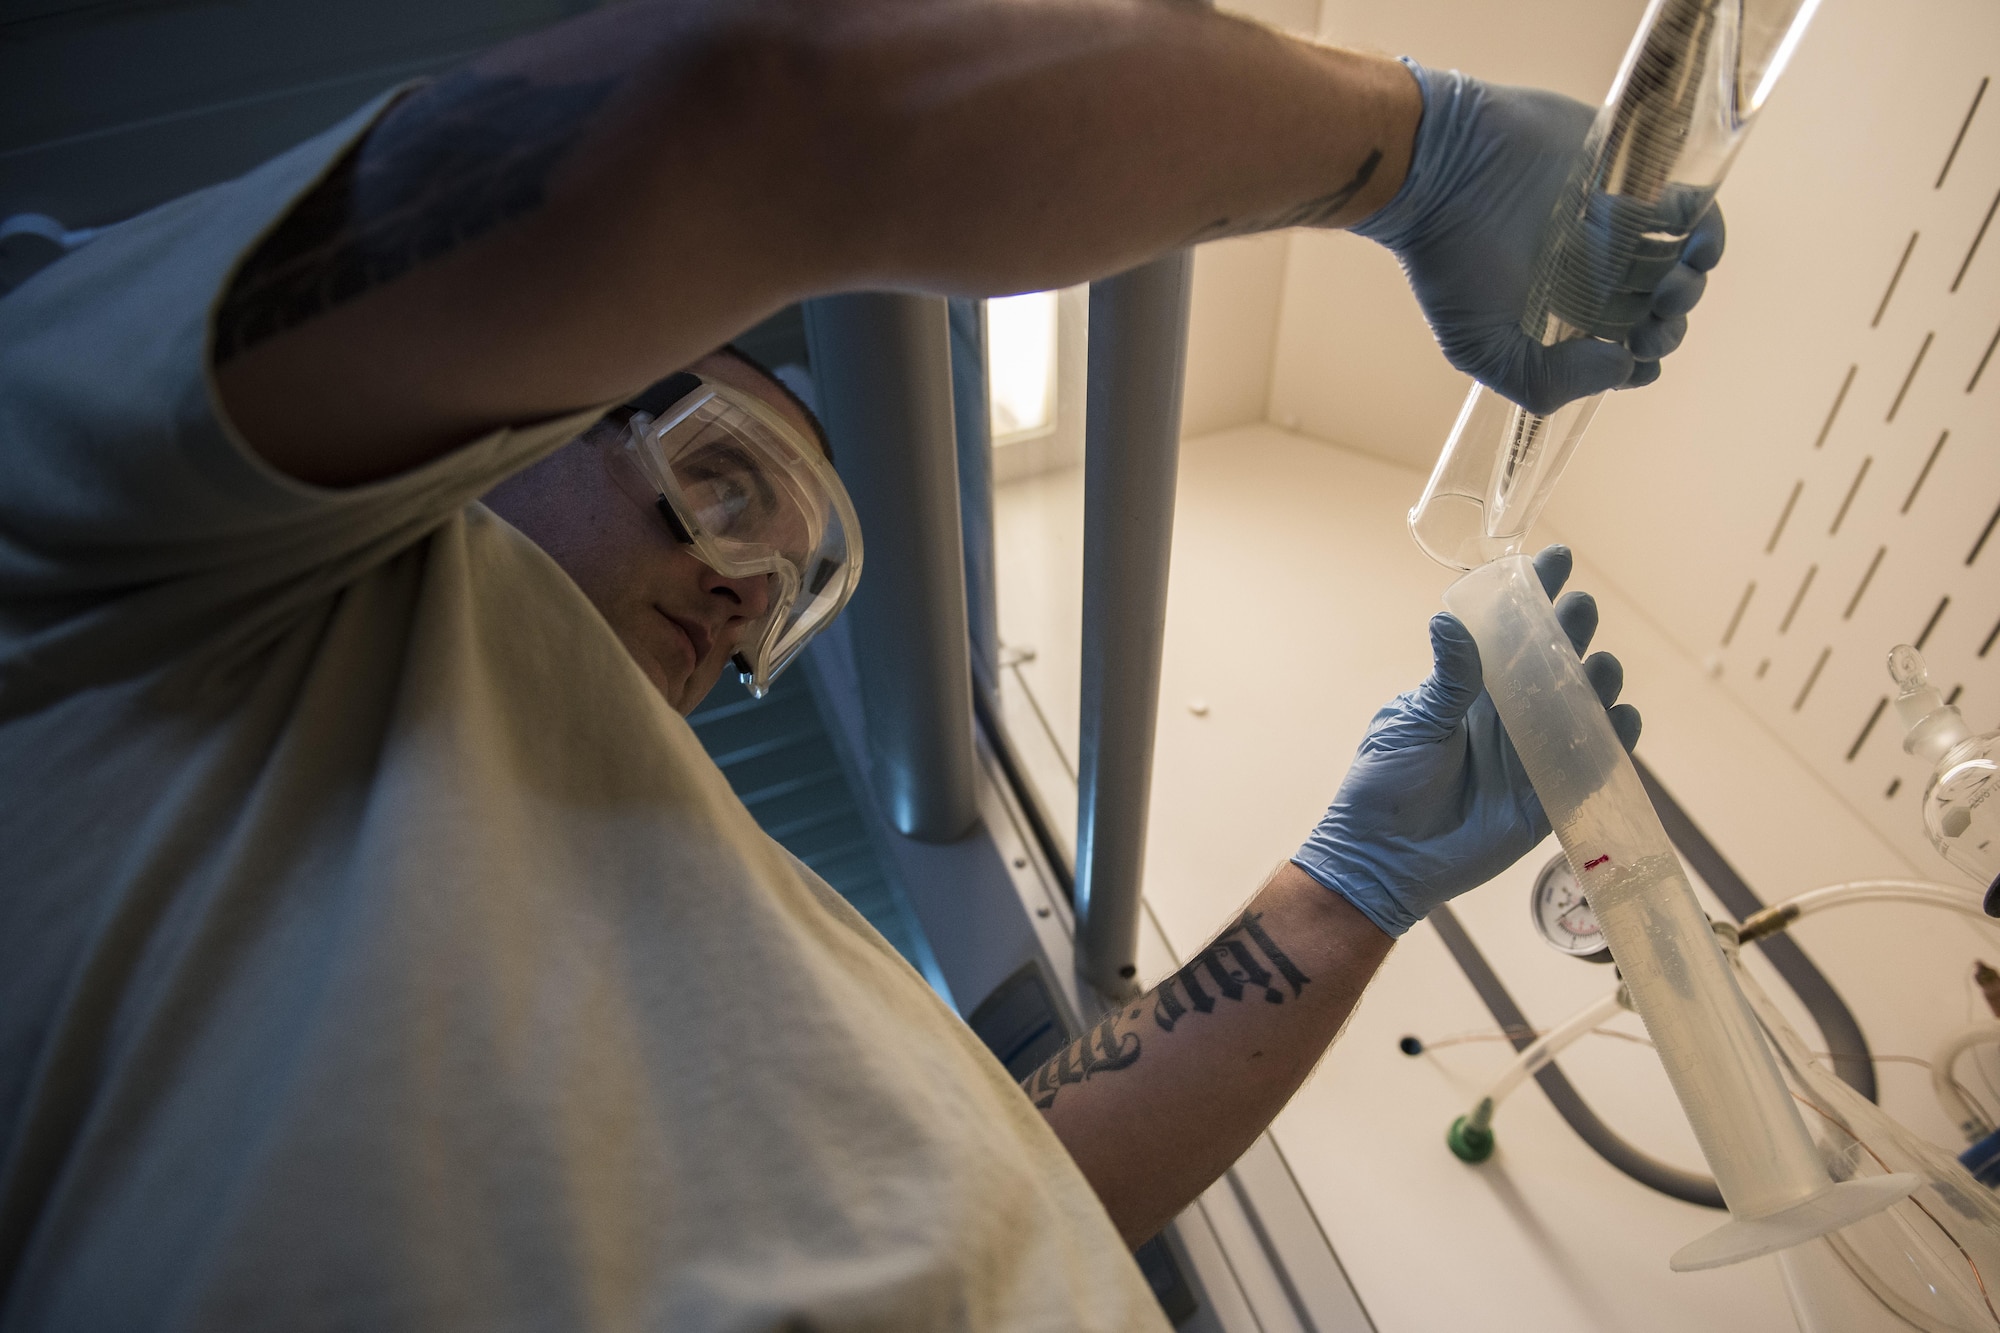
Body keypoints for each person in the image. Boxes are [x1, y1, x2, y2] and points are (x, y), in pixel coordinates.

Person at [0, 0, 1715, 1327]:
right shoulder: (121, 534)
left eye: (800, 591)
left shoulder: (665, 913)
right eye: (723, 484)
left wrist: (1343, 891)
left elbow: (1006, 1189)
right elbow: (769, 108)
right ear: (518, 417)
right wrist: (1421, 149)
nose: (747, 600)